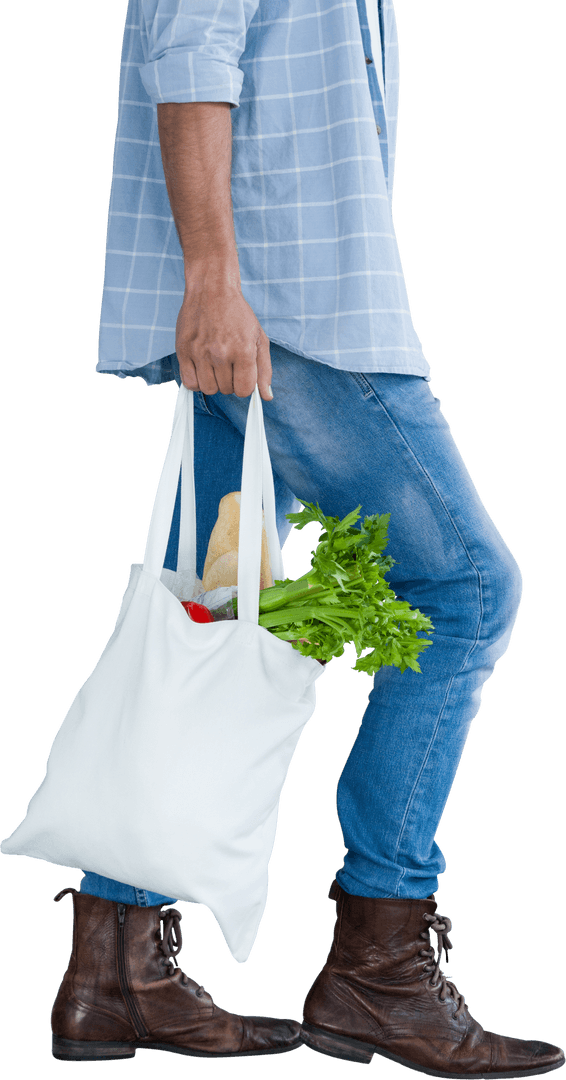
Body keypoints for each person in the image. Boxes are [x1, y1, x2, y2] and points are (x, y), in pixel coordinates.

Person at [28, 0, 566, 1071]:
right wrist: (213, 282)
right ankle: (379, 967)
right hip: (291, 314)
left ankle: (115, 972)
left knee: (210, 613)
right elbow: (190, 57)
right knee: (464, 590)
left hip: (273, 305)